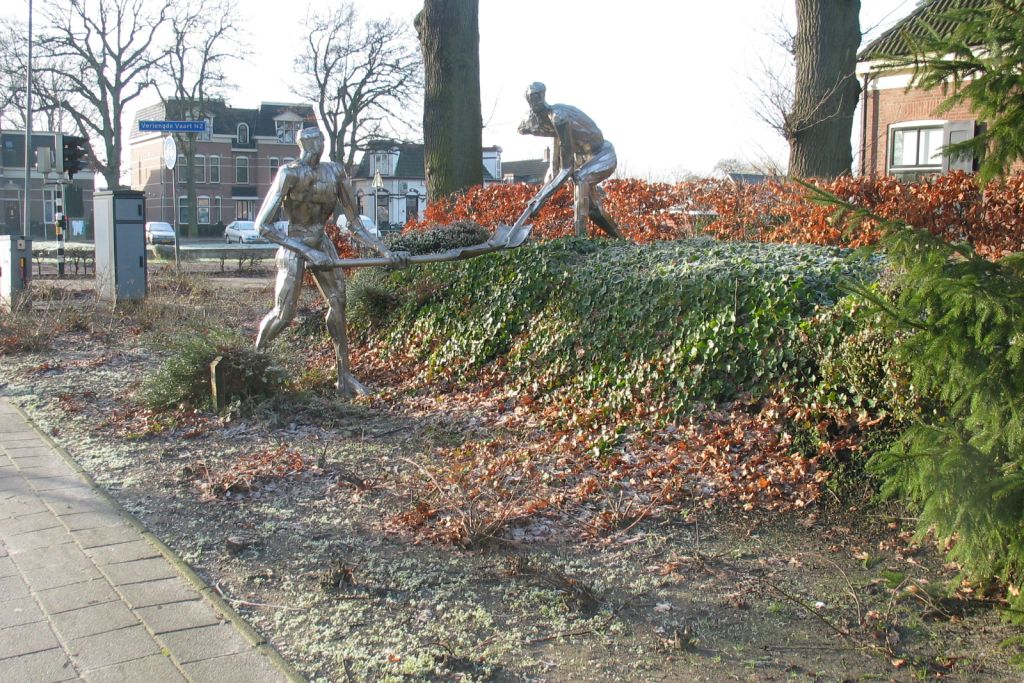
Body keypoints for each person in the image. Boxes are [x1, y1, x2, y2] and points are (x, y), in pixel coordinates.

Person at [253, 127, 408, 397]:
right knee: (284, 313)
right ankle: (252, 366)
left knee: (338, 302)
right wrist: (307, 252)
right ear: (303, 144)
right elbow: (262, 226)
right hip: (295, 243)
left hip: (320, 240)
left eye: (321, 140)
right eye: (313, 141)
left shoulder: (335, 172)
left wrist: (384, 251)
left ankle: (343, 376)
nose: (319, 144)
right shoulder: (289, 173)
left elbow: (355, 224)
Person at [517, 82, 623, 238]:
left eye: (534, 132)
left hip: (603, 155)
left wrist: (540, 199)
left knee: (580, 178)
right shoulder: (555, 129)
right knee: (594, 210)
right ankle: (623, 242)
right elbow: (554, 171)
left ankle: (580, 239)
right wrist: (539, 195)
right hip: (586, 158)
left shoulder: (559, 118)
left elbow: (566, 170)